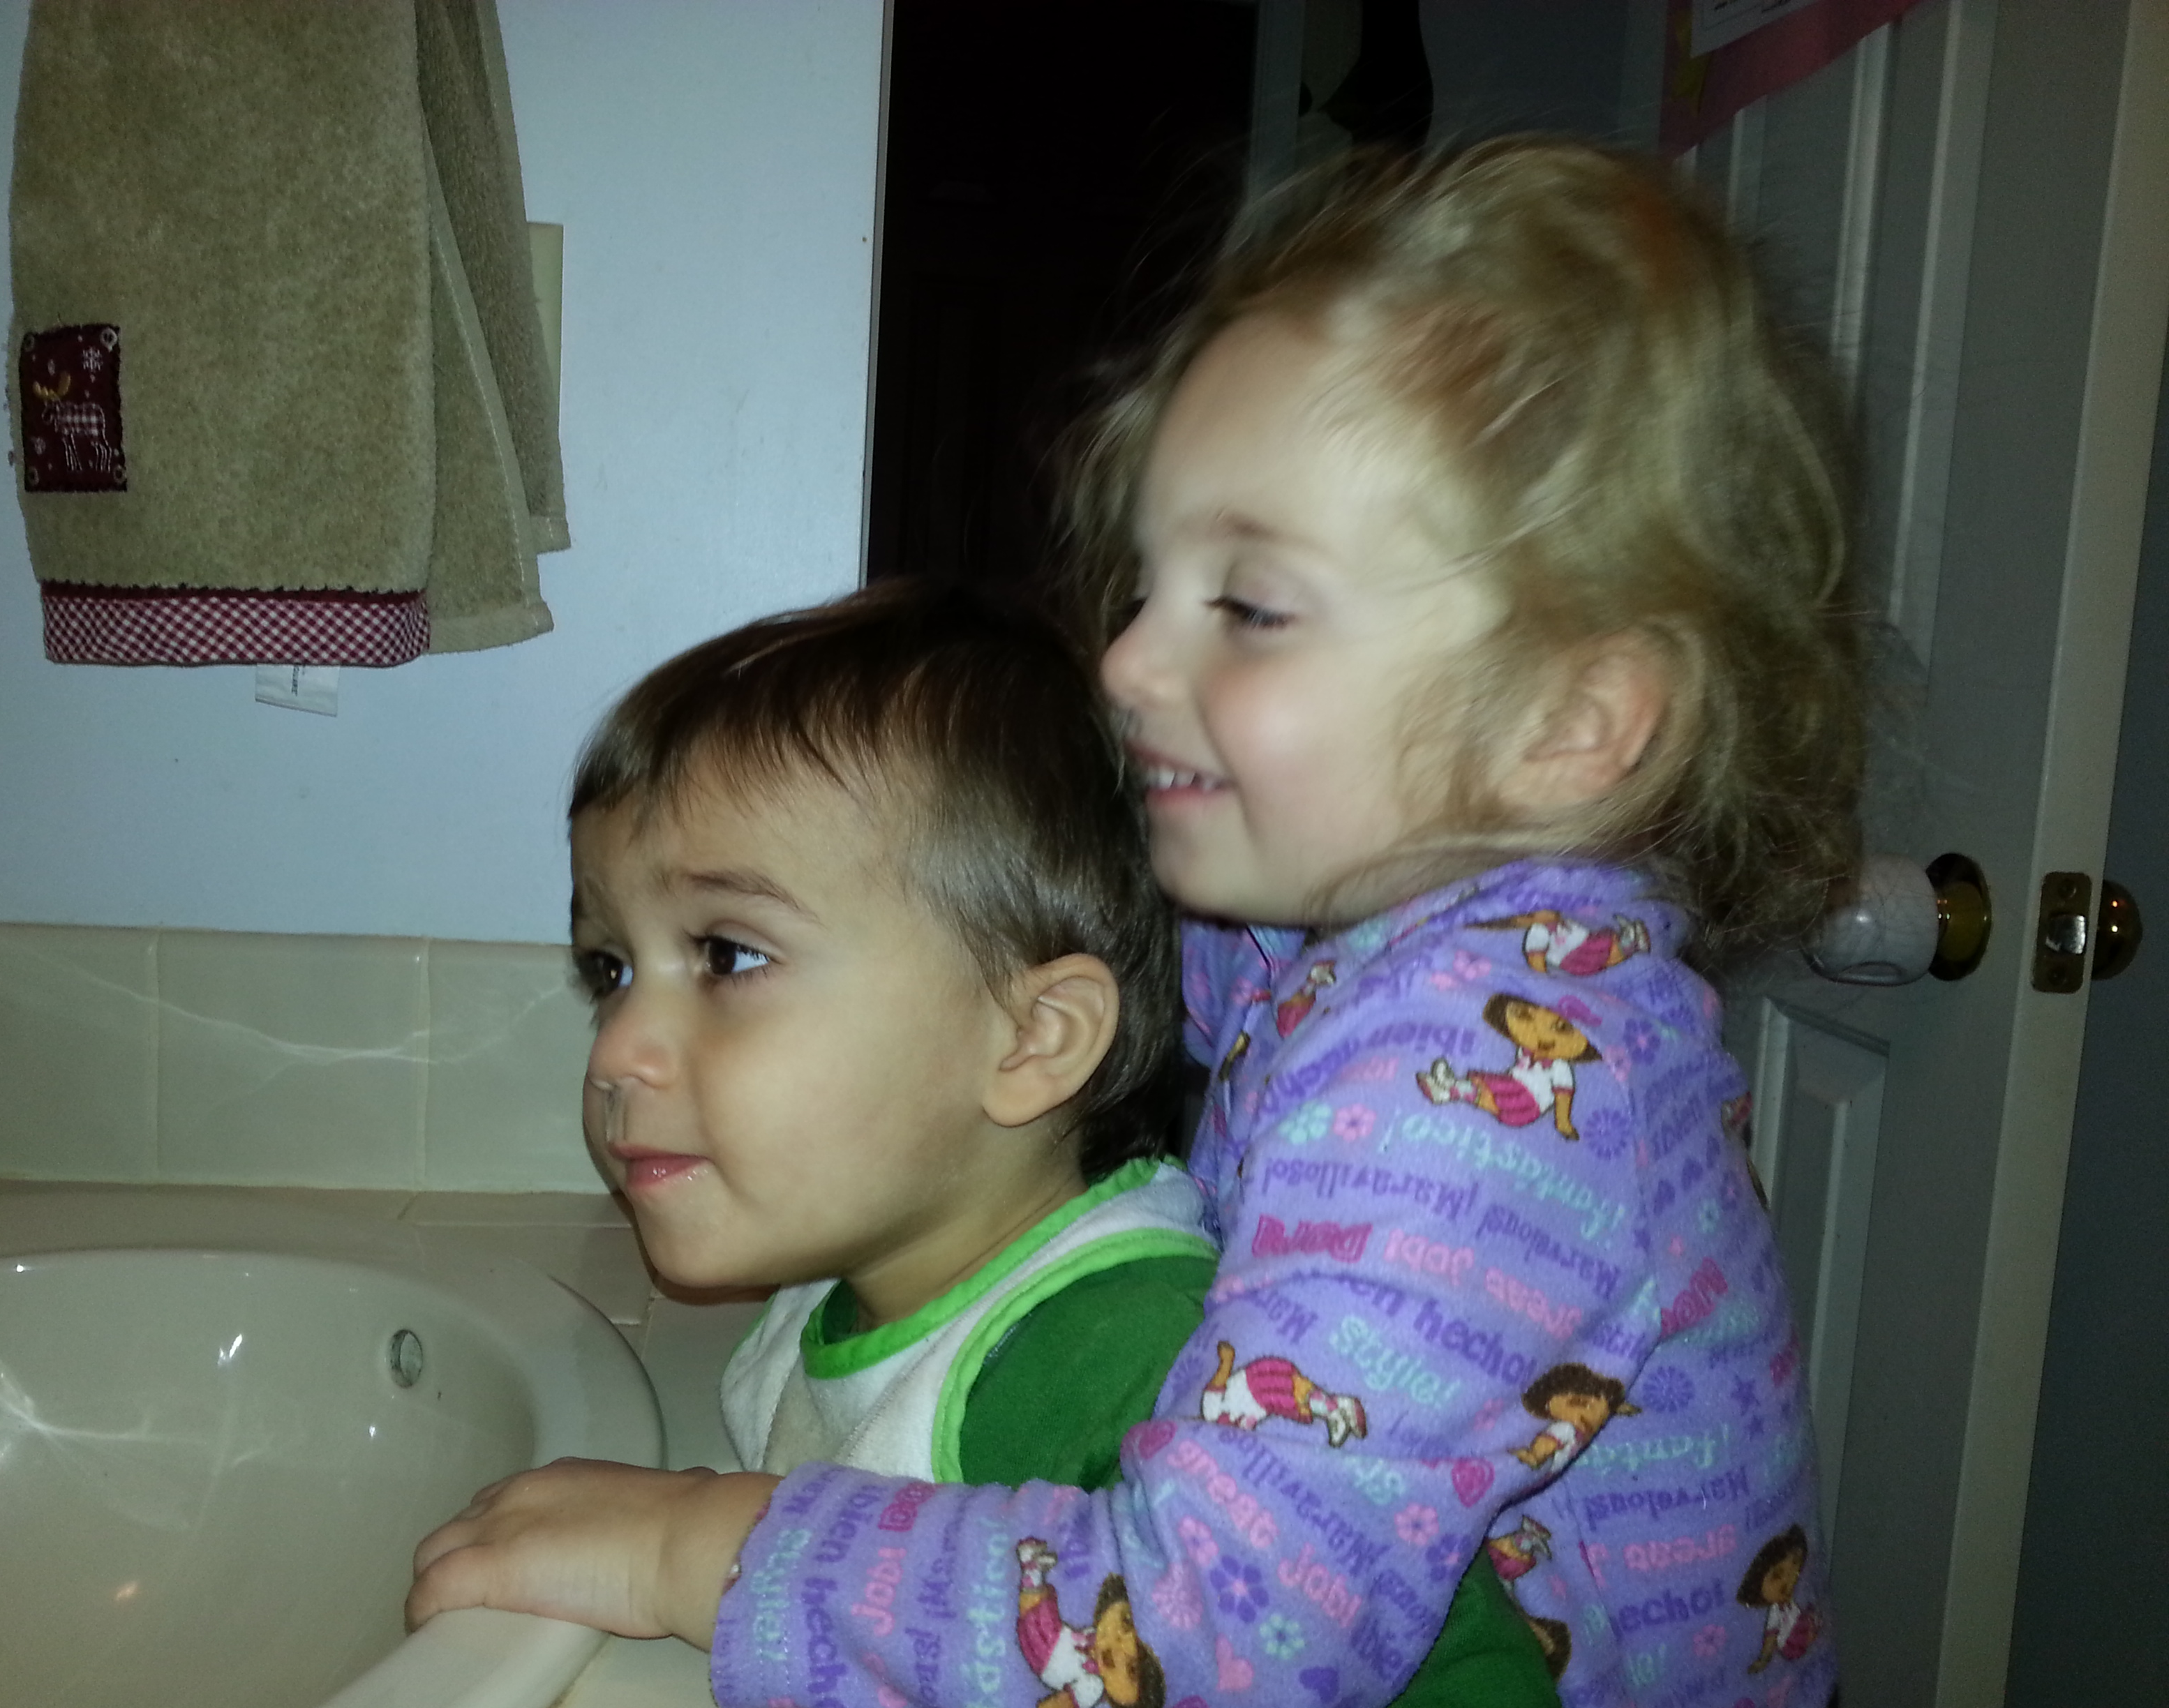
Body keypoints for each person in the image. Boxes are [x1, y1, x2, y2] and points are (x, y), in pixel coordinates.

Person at [410, 137, 1862, 1707]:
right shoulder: (1333, 937)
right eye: (1150, 587)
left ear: (1566, 722)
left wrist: (697, 1549)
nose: (1124, 664)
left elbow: (1209, 1634)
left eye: (1251, 605)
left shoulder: (1490, 1083)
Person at [412, 580, 1556, 1701]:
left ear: (1029, 1040)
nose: (619, 1051)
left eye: (729, 955)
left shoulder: (1127, 1350)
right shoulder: (845, 1292)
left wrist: (685, 1549)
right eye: (610, 968)